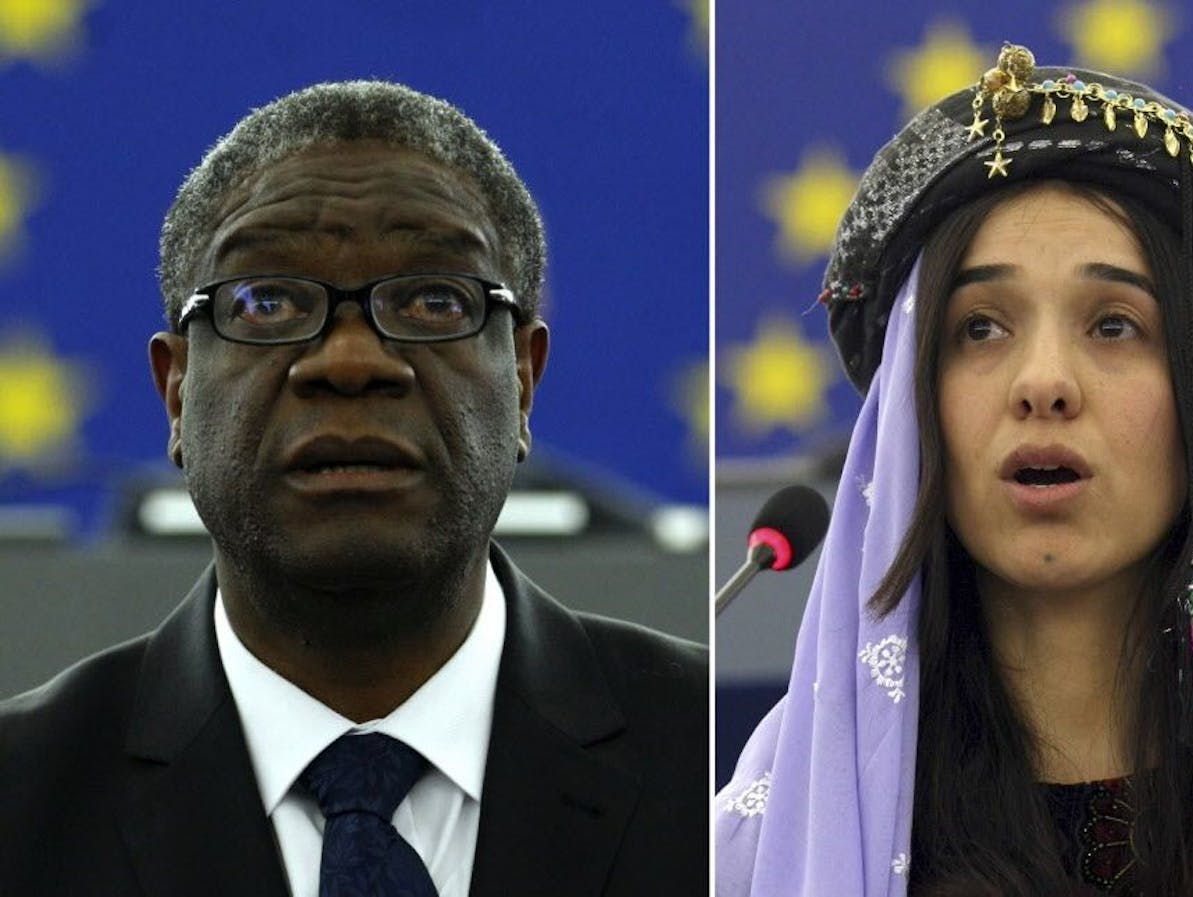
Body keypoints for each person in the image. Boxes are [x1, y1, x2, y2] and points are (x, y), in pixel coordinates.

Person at [717, 44, 1193, 896]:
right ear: (912, 413)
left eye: (1115, 324)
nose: (1043, 383)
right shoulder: (763, 831)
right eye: (980, 327)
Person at [0, 81, 707, 896]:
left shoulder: (714, 767)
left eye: (434, 299)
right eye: (265, 301)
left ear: (522, 379)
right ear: (176, 389)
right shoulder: (21, 803)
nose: (350, 362)